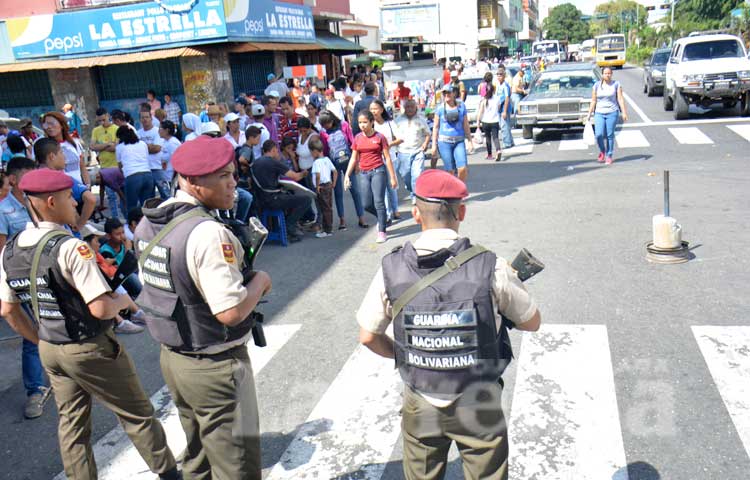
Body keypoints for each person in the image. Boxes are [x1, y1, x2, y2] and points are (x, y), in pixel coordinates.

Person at [357, 169, 542, 480]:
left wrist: (406, 355)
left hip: (421, 396)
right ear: (463, 212)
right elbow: (532, 322)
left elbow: (367, 336)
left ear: (416, 214)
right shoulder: (490, 266)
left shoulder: (391, 268)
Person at [0, 168, 181, 480]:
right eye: (70, 197)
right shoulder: (71, 247)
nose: (75, 203)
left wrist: (41, 338)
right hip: (88, 347)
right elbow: (100, 307)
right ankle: (169, 474)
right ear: (52, 202)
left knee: (72, 424)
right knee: (137, 413)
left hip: (51, 348)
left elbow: (8, 310)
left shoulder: (11, 249)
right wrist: (124, 302)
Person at [133, 136, 272, 479]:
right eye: (222, 176)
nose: (233, 183)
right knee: (236, 465)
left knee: (198, 458)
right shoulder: (208, 232)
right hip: (215, 364)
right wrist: (260, 282)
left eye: (232, 174)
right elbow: (231, 312)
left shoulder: (148, 223)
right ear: (193, 182)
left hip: (175, 357)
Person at [0, 156, 51, 420]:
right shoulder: (3, 211)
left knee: (56, 325)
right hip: (21, 283)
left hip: (47, 277)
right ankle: (35, 390)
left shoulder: (38, 202)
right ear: (12, 180)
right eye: (26, 178)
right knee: (32, 336)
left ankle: (63, 376)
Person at [80, 223, 145, 335]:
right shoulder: (91, 257)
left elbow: (111, 270)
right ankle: (120, 322)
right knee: (126, 281)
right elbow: (107, 272)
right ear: (87, 244)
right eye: (96, 241)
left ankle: (136, 312)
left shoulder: (96, 254)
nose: (99, 244)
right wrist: (127, 251)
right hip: (99, 290)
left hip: (113, 281)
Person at [344, 111, 398, 244]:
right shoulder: (357, 138)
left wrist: (392, 177)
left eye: (365, 122)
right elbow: (353, 158)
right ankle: (383, 217)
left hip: (378, 171)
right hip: (363, 172)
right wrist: (347, 175)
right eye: (360, 122)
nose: (362, 125)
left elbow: (388, 158)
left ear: (371, 122)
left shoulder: (380, 137)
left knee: (379, 201)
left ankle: (382, 231)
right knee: (366, 204)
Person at [250, 140, 310, 242]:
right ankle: (289, 225)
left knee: (289, 197)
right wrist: (304, 173)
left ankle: (286, 226)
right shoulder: (273, 162)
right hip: (273, 200)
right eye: (276, 151)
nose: (278, 153)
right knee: (306, 200)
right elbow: (295, 177)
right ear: (273, 150)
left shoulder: (255, 163)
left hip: (260, 201)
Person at [34, 138, 97, 233]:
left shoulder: (31, 180)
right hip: (64, 232)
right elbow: (91, 199)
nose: (64, 157)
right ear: (52, 156)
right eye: (61, 153)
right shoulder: (60, 179)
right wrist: (79, 225)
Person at [319, 111, 367, 230]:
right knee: (338, 193)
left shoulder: (344, 125)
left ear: (332, 120)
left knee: (355, 190)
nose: (326, 126)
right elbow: (325, 151)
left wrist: (356, 162)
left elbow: (353, 143)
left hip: (348, 162)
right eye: (323, 124)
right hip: (333, 165)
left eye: (327, 123)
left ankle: (361, 217)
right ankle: (342, 220)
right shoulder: (323, 132)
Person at [586, 67, 628, 165]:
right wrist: (589, 113)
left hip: (612, 112)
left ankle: (609, 155)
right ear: (602, 75)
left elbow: (620, 99)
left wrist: (624, 112)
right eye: (605, 73)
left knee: (610, 135)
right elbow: (593, 100)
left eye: (609, 73)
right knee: (599, 134)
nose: (607, 75)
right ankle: (602, 151)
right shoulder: (596, 86)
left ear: (611, 74)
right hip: (599, 112)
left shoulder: (616, 84)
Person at [370, 100, 403, 223]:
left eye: (375, 108)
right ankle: (387, 214)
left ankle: (395, 209)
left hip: (391, 158)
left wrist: (388, 144)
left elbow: (400, 138)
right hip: (376, 161)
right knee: (381, 188)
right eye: (371, 109)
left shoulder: (389, 123)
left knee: (391, 185)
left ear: (381, 110)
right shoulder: (371, 125)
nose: (373, 111)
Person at [432, 84, 474, 181]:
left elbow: (466, 125)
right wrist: (434, 145)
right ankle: (453, 192)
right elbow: (436, 127)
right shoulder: (440, 108)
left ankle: (460, 188)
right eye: (444, 93)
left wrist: (470, 141)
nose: (446, 95)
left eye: (448, 92)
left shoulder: (461, 106)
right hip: (444, 142)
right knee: (449, 171)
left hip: (459, 141)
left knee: (462, 168)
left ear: (454, 93)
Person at [394, 99, 431, 202]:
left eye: (412, 107)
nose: (410, 109)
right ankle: (411, 189)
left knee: (417, 175)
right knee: (405, 175)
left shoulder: (421, 119)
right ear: (404, 108)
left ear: (416, 108)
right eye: (408, 107)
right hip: (403, 152)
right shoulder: (398, 120)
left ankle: (416, 197)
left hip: (418, 151)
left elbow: (428, 134)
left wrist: (425, 144)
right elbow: (393, 135)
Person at [91, 108, 123, 217]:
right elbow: (92, 146)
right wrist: (107, 144)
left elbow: (115, 148)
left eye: (104, 120)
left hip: (117, 166)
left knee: (122, 193)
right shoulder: (96, 131)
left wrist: (100, 147)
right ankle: (115, 218)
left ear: (108, 115)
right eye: (100, 121)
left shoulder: (116, 129)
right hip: (104, 167)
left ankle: (127, 216)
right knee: (110, 195)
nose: (102, 122)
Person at [42, 111, 89, 185]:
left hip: (79, 189)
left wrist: (88, 186)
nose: (49, 127)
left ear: (61, 125)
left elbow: (82, 167)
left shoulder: (74, 142)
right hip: (59, 190)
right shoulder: (43, 145)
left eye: (52, 123)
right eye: (46, 124)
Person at [116, 125, 155, 214]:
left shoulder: (120, 147)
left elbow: (120, 166)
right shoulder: (143, 144)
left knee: (131, 207)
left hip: (132, 176)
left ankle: (133, 226)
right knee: (147, 207)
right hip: (147, 175)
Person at [309, 138, 337, 238]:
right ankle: (329, 228)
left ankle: (327, 230)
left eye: (311, 152)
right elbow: (335, 171)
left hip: (322, 186)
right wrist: (334, 183)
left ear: (315, 151)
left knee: (324, 208)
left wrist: (317, 187)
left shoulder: (316, 163)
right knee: (328, 207)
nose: (311, 154)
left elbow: (317, 175)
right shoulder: (327, 159)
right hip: (329, 185)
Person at [137, 110, 167, 199]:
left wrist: (143, 147)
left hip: (158, 168)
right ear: (140, 119)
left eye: (147, 117)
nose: (145, 119)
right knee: (148, 199)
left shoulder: (158, 131)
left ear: (151, 118)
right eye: (142, 117)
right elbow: (137, 151)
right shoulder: (138, 133)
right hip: (145, 169)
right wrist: (150, 146)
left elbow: (157, 148)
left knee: (165, 194)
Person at [476, 74, 503, 162]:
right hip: (495, 120)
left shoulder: (484, 100)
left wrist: (478, 122)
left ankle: (489, 154)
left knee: (487, 138)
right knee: (495, 137)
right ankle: (498, 150)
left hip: (485, 121)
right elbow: (498, 108)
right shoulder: (497, 99)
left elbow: (480, 112)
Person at [159, 119, 181, 188]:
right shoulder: (165, 141)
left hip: (173, 177)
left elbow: (177, 160)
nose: (158, 131)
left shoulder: (173, 143)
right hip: (167, 175)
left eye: (160, 128)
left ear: (167, 130)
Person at [496, 68, 515, 150]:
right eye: (498, 75)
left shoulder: (505, 85)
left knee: (504, 126)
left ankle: (507, 143)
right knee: (505, 125)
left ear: (504, 76)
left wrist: (504, 111)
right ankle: (510, 141)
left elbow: (507, 98)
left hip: (505, 108)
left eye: (501, 75)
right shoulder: (498, 85)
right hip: (499, 108)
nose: (499, 76)